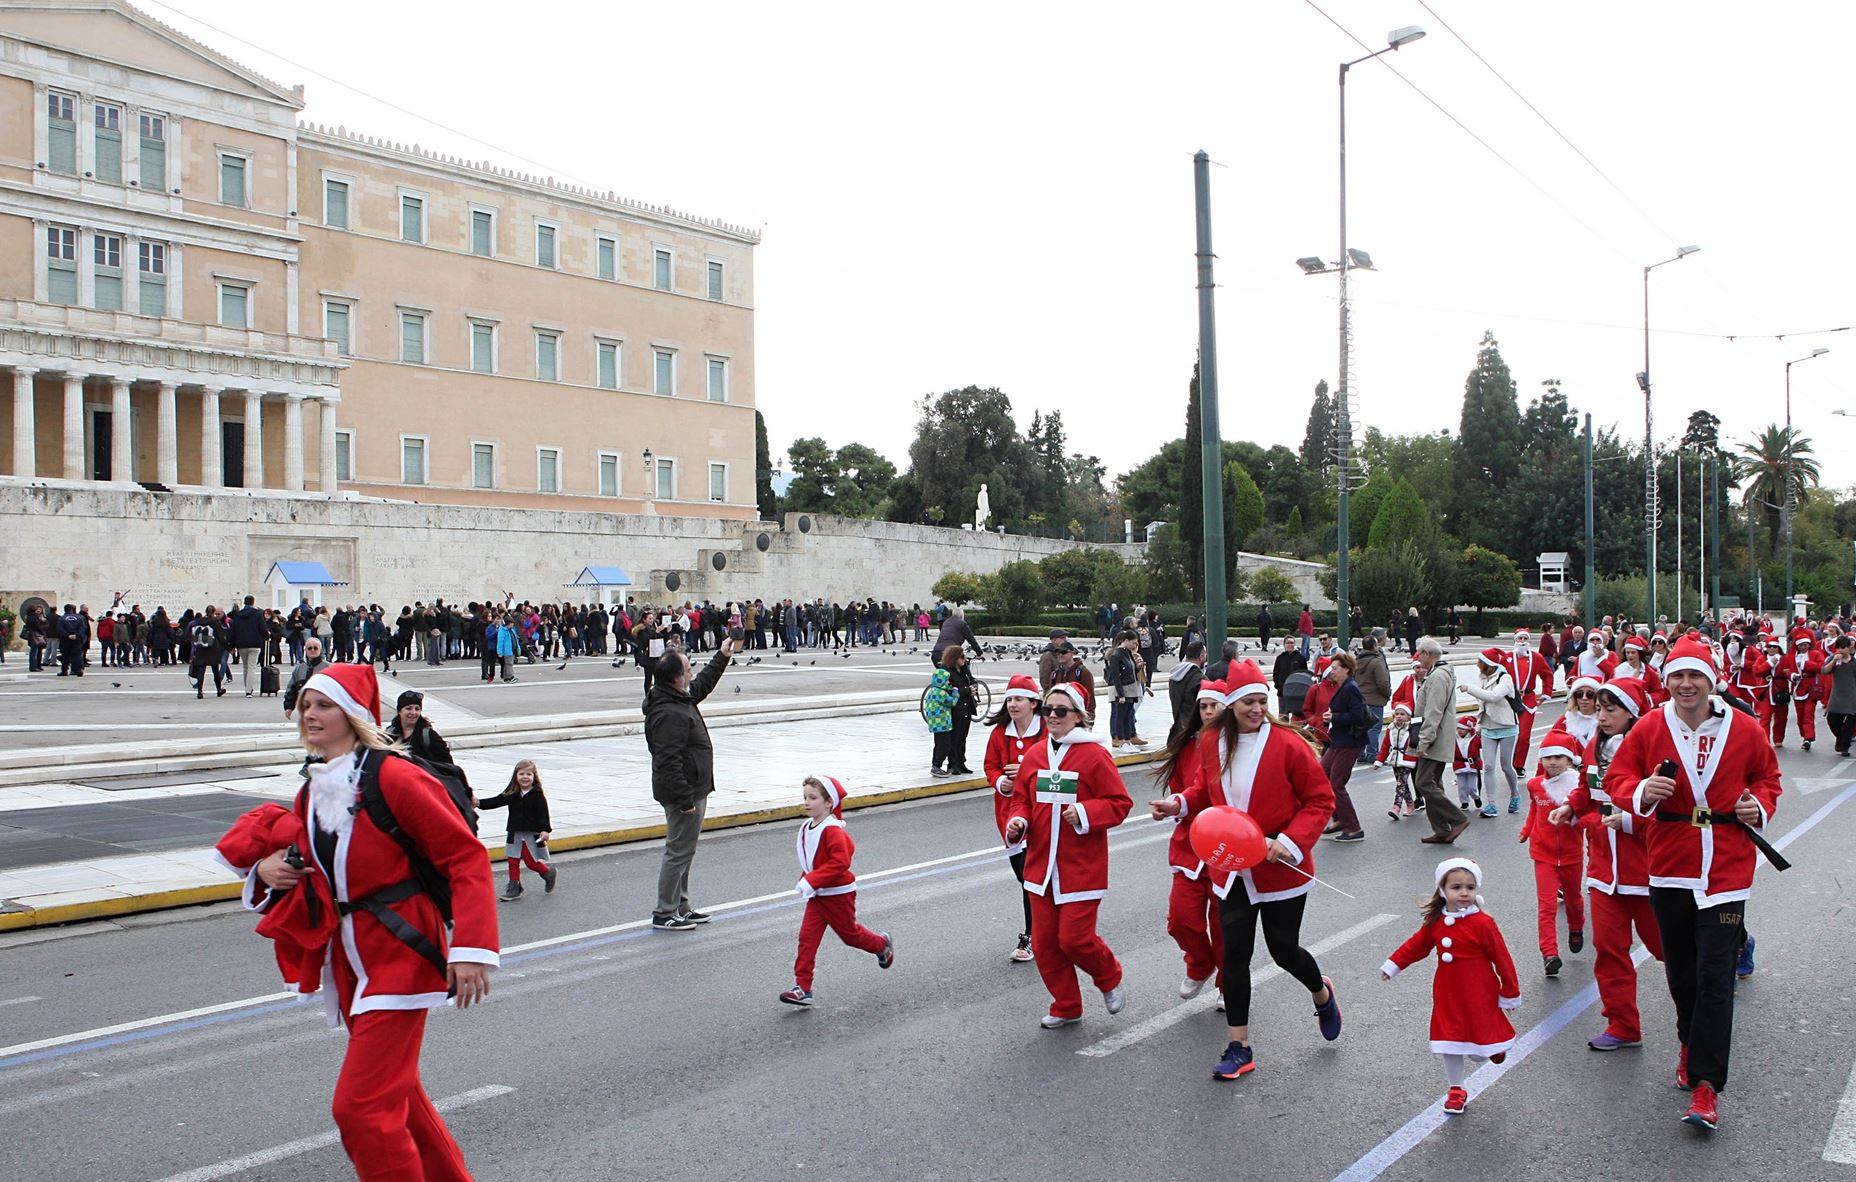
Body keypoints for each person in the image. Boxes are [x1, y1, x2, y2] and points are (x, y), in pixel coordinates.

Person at [243, 661, 498, 1181]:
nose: (309, 714)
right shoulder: (312, 789)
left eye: (323, 705)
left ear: (354, 714)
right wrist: (264, 871)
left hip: (401, 957)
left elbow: (464, 857)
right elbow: (314, 864)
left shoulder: (396, 776)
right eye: (306, 704)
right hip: (351, 965)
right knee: (400, 1098)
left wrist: (471, 950)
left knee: (361, 1110)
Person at [1607, 637, 1783, 1131]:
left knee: (1715, 978)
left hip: (1726, 868)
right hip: (1669, 864)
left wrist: (1759, 806)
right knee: (1682, 972)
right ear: (1667, 682)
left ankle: (1707, 1086)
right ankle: (1688, 1041)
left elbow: (1768, 778)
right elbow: (1618, 777)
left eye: (1695, 677)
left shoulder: (1745, 728)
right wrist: (1642, 790)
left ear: (1711, 681)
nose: (1686, 685)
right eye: (1678, 677)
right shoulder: (1648, 727)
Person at [1149, 662, 1341, 1079]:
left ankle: (1322, 993)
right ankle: (1240, 1047)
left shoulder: (1288, 745)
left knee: (1284, 951)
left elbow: (1320, 801)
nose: (1256, 709)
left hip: (1280, 870)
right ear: (1232, 705)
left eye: (1261, 701)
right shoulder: (1212, 741)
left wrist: (1287, 843)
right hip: (1232, 869)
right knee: (1234, 958)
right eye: (1248, 702)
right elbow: (1205, 791)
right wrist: (1178, 804)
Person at [1002, 682, 1132, 1029]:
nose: (1054, 716)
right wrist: (1018, 821)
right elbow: (1022, 800)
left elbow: (1120, 804)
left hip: (1080, 866)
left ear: (1079, 716)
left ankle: (1109, 976)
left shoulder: (1094, 755)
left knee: (1075, 939)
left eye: (1062, 710)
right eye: (1049, 710)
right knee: (1045, 945)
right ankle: (1067, 1004)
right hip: (1041, 865)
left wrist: (1086, 813)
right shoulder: (1035, 755)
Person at [1548, 676, 1664, 1051]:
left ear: (1632, 713)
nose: (1601, 716)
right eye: (1598, 709)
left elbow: (1672, 811)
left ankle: (1726, 960)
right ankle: (1623, 1025)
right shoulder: (1596, 746)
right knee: (1610, 950)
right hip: (1604, 872)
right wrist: (1572, 806)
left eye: (1610, 710)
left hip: (1647, 873)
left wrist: (1630, 822)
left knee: (1668, 949)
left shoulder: (1654, 751)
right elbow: (1587, 787)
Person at [1379, 858, 1522, 1117]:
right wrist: (1394, 965)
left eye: (1470, 887)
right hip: (1447, 992)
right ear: (1442, 890)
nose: (1464, 893)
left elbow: (1502, 958)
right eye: (1457, 887)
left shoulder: (1483, 923)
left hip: (1480, 991)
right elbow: (1418, 945)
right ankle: (1456, 1089)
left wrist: (1509, 992)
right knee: (1450, 1041)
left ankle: (1493, 1047)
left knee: (1478, 1049)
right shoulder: (1437, 921)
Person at [645, 636, 737, 932]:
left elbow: (701, 687)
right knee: (678, 851)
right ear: (675, 678)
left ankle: (681, 906)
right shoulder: (669, 712)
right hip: (683, 793)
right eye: (687, 669)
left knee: (686, 849)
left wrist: (722, 656)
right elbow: (667, 760)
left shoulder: (676, 697)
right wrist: (684, 799)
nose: (691, 674)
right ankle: (665, 911)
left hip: (692, 789)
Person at [779, 775, 895, 1006]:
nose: (807, 802)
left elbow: (840, 862)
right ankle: (803, 988)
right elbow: (812, 860)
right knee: (806, 939)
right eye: (805, 797)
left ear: (829, 802)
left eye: (813, 798)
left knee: (850, 935)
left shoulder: (832, 830)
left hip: (838, 894)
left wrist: (811, 880)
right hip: (818, 895)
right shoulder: (808, 826)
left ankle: (881, 945)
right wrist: (807, 879)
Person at [1153, 677, 1229, 1004]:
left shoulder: (1241, 746)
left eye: (1215, 705)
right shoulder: (1188, 746)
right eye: (1204, 706)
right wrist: (1174, 804)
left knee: (1225, 927)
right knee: (1181, 919)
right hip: (1190, 845)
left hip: (1228, 850)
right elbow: (1188, 790)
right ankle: (1200, 965)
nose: (1209, 711)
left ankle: (1229, 984)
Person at [983, 675, 1045, 963]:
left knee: (1031, 879)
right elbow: (990, 766)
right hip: (1009, 815)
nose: (1013, 704)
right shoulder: (1000, 733)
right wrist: (999, 783)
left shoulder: (1045, 730)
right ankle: (1045, 924)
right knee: (1024, 877)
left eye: (1019, 699)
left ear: (1034, 703)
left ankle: (1032, 936)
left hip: (1041, 814)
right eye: (1009, 699)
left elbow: (1055, 768)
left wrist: (1024, 774)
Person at [1517, 735, 1585, 977]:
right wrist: (1526, 832)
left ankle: (1576, 928)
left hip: (1571, 855)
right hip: (1543, 854)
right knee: (1546, 906)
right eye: (1547, 757)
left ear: (1569, 760)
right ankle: (1549, 953)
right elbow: (1535, 811)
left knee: (1574, 900)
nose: (1552, 762)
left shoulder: (1578, 787)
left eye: (1558, 757)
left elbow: (1586, 817)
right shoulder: (1535, 785)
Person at [1410, 637, 1474, 845]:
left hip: (1434, 739)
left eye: (1420, 653)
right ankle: (1442, 830)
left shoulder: (1438, 676)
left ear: (1428, 654)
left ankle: (1457, 819)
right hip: (1438, 737)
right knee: (1432, 782)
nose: (1418, 657)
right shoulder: (1441, 673)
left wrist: (1424, 741)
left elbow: (1433, 711)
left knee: (1423, 782)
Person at [476, 760, 556, 901]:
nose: (525, 777)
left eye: (528, 774)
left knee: (531, 862)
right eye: (521, 774)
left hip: (531, 834)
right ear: (516, 776)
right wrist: (479, 803)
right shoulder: (512, 793)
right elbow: (497, 801)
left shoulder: (537, 795)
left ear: (534, 777)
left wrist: (545, 830)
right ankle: (514, 888)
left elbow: (543, 813)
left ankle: (547, 872)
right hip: (514, 833)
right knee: (513, 861)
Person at [1317, 651, 1368, 842]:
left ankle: (1353, 828)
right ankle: (1338, 819)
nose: (1332, 672)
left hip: (1349, 742)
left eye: (1336, 669)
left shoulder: (1350, 688)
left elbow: (1358, 716)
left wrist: (1335, 717)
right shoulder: (1344, 686)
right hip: (1338, 740)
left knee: (1336, 783)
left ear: (1346, 669)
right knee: (1322, 775)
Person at [1465, 649, 1522, 818]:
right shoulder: (1482, 678)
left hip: (1507, 727)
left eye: (1479, 662)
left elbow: (1493, 696)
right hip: (1488, 727)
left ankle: (1515, 795)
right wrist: (1479, 727)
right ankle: (1491, 804)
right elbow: (1482, 704)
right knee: (1488, 766)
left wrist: (1469, 688)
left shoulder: (1505, 678)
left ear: (1488, 664)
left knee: (1506, 765)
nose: (1477, 665)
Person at [1373, 702, 1420, 820]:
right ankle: (1410, 804)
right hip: (1394, 759)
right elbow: (1385, 746)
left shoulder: (1412, 729)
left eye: (1402, 714)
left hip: (1407, 759)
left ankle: (1396, 806)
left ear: (1409, 717)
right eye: (1397, 714)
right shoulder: (1391, 728)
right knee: (1403, 785)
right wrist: (1379, 761)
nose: (1399, 716)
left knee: (1401, 784)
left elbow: (1416, 744)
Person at [385, 691, 455, 766]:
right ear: (399, 711)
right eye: (408, 708)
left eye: (417, 709)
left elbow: (448, 764)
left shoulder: (429, 735)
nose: (413, 712)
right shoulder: (389, 734)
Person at [1105, 629, 1145, 750]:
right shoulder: (1116, 655)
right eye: (1133, 642)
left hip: (1131, 688)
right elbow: (1116, 676)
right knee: (1120, 716)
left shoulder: (1127, 653)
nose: (1135, 646)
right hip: (1123, 689)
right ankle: (1121, 740)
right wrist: (1121, 694)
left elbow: (1131, 670)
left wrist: (1138, 667)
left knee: (1128, 716)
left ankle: (1128, 741)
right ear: (1126, 641)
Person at [1355, 635, 1392, 767]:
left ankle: (1360, 754)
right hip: (1375, 699)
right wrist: (1387, 694)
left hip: (1360, 698)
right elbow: (1383, 682)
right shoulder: (1377, 661)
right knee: (1374, 728)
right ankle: (1372, 754)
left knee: (1361, 727)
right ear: (1374, 646)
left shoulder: (1357, 661)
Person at [1167, 639, 1207, 742]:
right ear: (1201, 656)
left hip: (1179, 730)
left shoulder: (1174, 676)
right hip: (1194, 732)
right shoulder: (1199, 679)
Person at [227, 594, 266, 696]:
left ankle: (247, 688)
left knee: (245, 666)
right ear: (253, 602)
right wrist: (266, 636)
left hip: (241, 644)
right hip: (255, 643)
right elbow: (262, 628)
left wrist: (232, 645)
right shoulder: (258, 614)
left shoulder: (238, 615)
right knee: (251, 667)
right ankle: (249, 690)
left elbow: (233, 631)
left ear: (244, 602)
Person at [281, 637, 328, 718]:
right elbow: (292, 689)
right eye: (309, 648)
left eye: (315, 648)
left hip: (324, 710)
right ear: (305, 650)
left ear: (320, 650)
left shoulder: (329, 668)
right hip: (305, 710)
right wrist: (289, 707)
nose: (312, 650)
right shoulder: (299, 669)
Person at [187, 606, 227, 699]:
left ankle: (200, 691)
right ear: (213, 612)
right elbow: (221, 637)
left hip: (200, 649)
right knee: (215, 670)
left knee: (201, 669)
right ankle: (218, 690)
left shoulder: (198, 621)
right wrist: (226, 646)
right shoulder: (214, 622)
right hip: (213, 649)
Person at [1826, 636, 1856, 756]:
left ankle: (1845, 747)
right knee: (1832, 720)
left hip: (1852, 697)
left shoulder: (1854, 663)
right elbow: (1824, 671)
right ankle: (1841, 739)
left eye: (1843, 648)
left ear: (1849, 648)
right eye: (1838, 648)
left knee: (1849, 724)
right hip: (1837, 697)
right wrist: (1833, 661)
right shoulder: (1833, 659)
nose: (1840, 650)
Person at [1452, 716, 1483, 810]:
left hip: (1473, 765)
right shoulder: (1454, 739)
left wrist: (1481, 734)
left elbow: (1483, 745)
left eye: (1463, 729)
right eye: (1458, 728)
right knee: (1461, 786)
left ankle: (1476, 797)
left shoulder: (1476, 738)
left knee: (1471, 786)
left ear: (1469, 729)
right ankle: (1464, 802)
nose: (1459, 731)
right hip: (1459, 764)